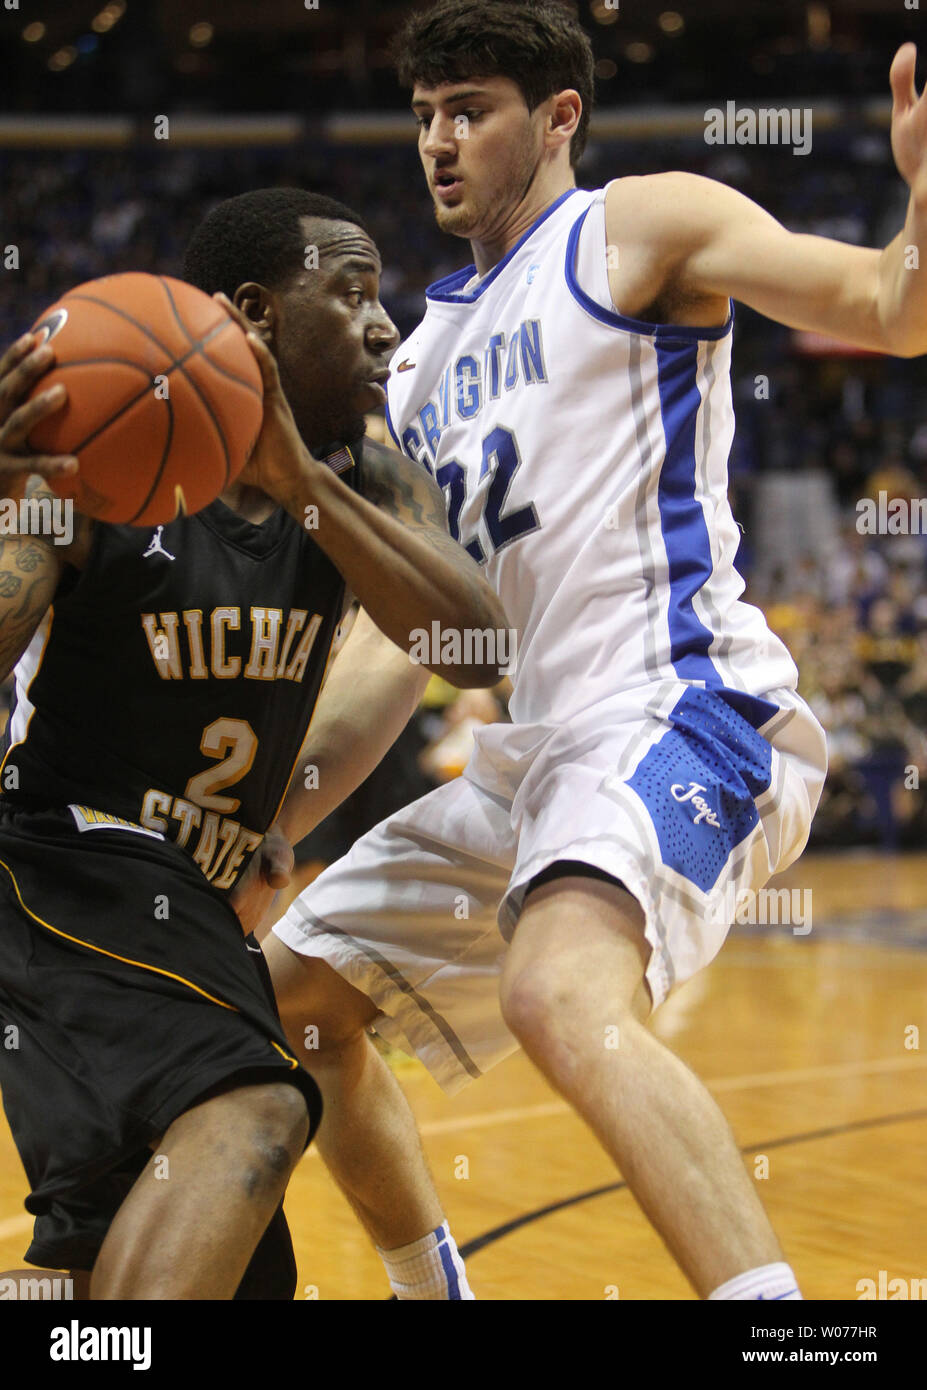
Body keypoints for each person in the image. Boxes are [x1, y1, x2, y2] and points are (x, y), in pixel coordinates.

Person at [258, 1, 927, 1301]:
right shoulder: (415, 362)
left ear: (556, 115)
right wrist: (261, 820)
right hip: (525, 766)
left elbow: (888, 308)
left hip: (677, 705)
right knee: (287, 1000)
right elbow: (419, 645)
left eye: (469, 110)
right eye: (422, 116)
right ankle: (428, 1288)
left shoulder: (637, 224)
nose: (436, 142)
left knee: (559, 994)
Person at [0, 186, 506, 1299]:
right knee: (264, 1104)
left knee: (144, 1273)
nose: (388, 326)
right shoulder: (97, 468)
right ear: (255, 313)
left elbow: (474, 641)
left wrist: (300, 484)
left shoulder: (360, 483)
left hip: (196, 911)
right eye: (356, 293)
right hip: (70, 870)